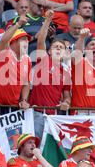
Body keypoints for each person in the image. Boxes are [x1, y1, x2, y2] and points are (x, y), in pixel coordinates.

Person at [29, 10, 71, 138]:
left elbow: (66, 96)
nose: (58, 48)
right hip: (37, 112)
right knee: (35, 145)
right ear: (49, 52)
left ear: (65, 53)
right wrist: (47, 20)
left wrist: (66, 103)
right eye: (55, 47)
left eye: (61, 47)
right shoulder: (44, 60)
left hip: (54, 117)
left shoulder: (66, 74)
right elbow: (41, 39)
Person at [0, 15, 32, 119]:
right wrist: (18, 24)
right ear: (13, 42)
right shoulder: (5, 53)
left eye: (27, 40)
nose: (26, 43)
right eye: (23, 40)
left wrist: (23, 100)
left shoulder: (27, 60)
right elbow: (4, 41)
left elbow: (26, 84)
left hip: (12, 108)